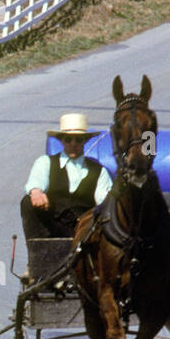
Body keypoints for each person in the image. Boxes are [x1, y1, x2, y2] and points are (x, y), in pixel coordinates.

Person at [20, 112, 112, 271]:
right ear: (62, 140)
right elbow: (35, 183)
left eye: (78, 139)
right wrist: (36, 192)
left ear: (84, 141)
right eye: (69, 139)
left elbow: (105, 201)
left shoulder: (99, 171)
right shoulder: (46, 163)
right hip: (52, 227)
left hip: (84, 230)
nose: (73, 144)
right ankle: (36, 261)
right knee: (27, 202)